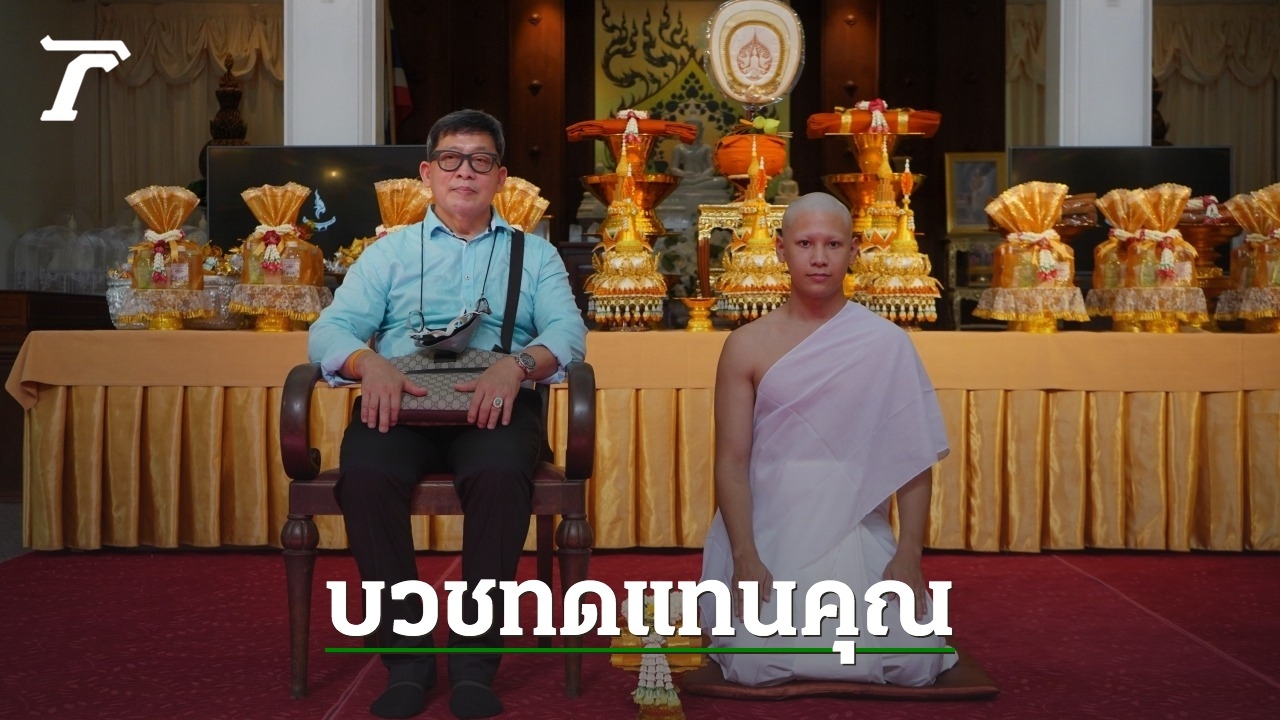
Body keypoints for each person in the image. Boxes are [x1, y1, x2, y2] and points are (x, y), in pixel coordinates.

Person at [309, 109, 588, 720]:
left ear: (500, 177)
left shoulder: (534, 254)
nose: (465, 172)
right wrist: (367, 363)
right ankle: (406, 662)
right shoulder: (388, 253)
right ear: (427, 173)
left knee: (498, 475)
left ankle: (474, 663)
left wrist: (518, 366)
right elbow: (330, 329)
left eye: (480, 160)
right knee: (367, 476)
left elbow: (567, 332)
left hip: (495, 403)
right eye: (451, 160)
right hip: (400, 402)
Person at [698, 192, 957, 688]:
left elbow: (913, 458)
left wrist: (909, 554)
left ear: (854, 250)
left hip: (855, 521)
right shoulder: (746, 345)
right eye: (805, 244)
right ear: (781, 249)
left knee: (913, 659)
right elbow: (730, 462)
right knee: (754, 662)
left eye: (833, 244)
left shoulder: (885, 342)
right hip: (769, 524)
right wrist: (745, 555)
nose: (819, 258)